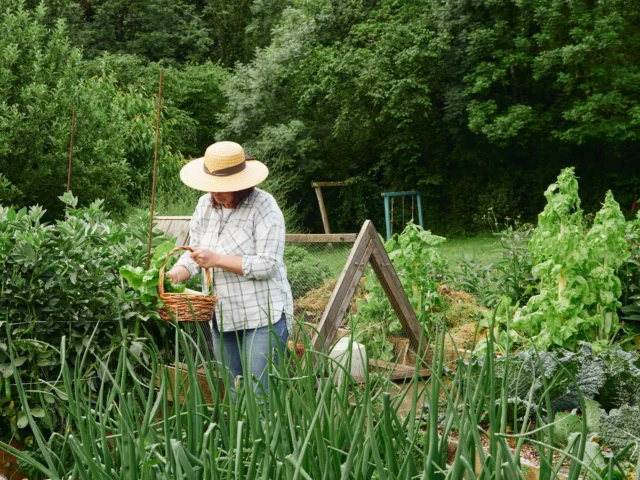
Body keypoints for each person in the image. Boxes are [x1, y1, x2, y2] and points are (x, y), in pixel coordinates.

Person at [164, 141, 293, 400]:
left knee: (259, 395)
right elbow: (195, 257)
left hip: (262, 316)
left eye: (223, 189)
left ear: (243, 184)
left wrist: (218, 259)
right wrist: (175, 275)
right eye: (212, 188)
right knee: (233, 395)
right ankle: (239, 441)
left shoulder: (264, 206)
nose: (215, 194)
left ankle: (266, 440)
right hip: (223, 317)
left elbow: (269, 264)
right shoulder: (204, 206)